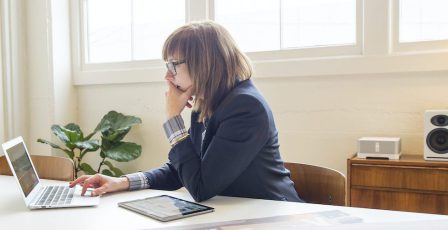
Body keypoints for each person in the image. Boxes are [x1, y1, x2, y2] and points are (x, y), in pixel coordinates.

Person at [70, 21, 303, 203]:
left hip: (272, 215)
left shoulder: (246, 107)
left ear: (203, 62)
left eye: (173, 65)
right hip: (233, 213)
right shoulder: (208, 100)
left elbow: (201, 186)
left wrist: (173, 121)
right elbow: (182, 169)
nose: (167, 76)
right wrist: (123, 182)